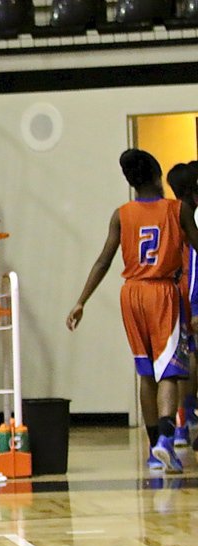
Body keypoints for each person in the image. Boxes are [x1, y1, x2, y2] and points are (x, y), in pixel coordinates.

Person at [68, 150, 198, 474]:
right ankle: (167, 439)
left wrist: (81, 300)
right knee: (169, 370)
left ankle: (154, 452)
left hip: (131, 294)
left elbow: (103, 261)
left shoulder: (121, 214)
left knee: (145, 372)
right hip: (162, 291)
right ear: (157, 176)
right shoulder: (177, 209)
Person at [167, 161, 198, 450]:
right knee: (189, 358)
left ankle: (183, 422)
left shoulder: (168, 212)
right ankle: (186, 419)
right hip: (187, 290)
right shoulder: (186, 213)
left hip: (171, 292)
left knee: (179, 362)